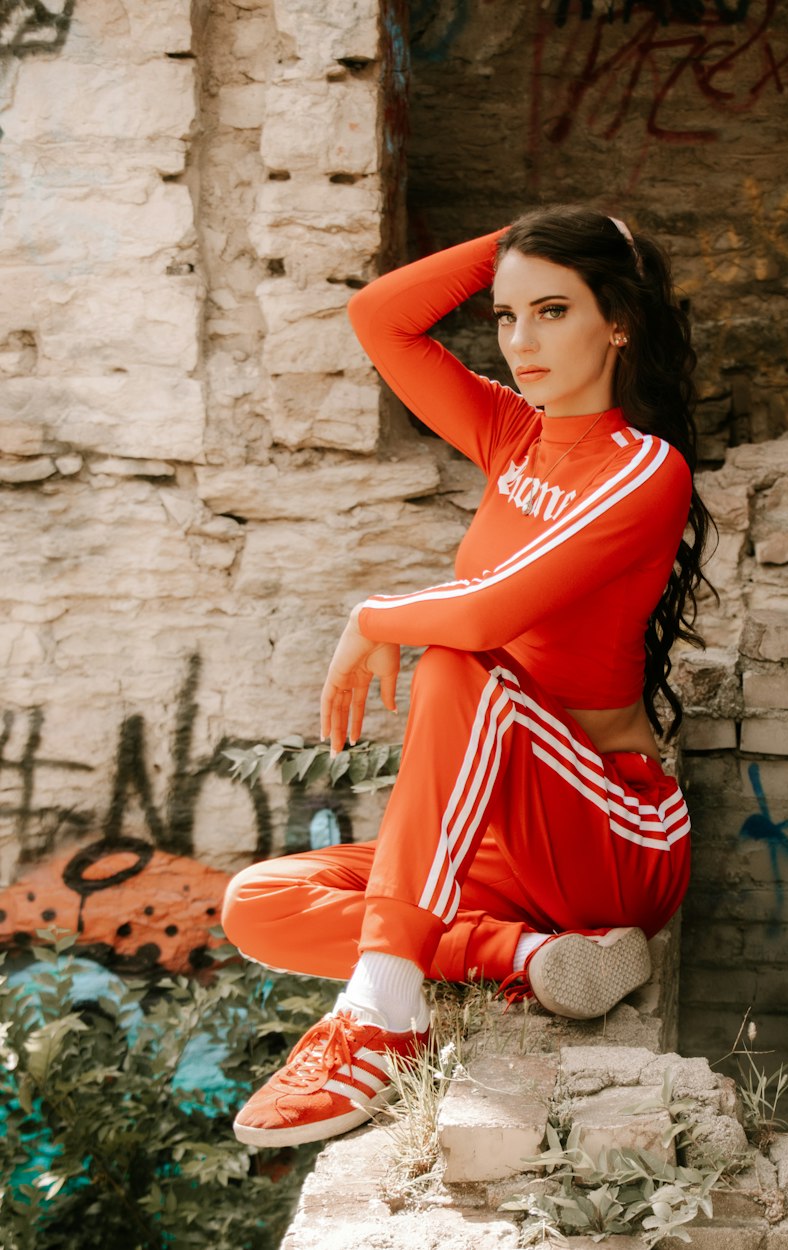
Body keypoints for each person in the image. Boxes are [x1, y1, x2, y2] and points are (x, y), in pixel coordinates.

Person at [221, 205, 714, 1148]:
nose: (521, 341)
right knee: (258, 904)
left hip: (606, 832)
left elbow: (488, 615)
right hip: (496, 856)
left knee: (457, 659)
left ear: (619, 321)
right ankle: (535, 959)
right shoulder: (512, 436)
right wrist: (515, 243)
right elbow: (379, 317)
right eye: (504, 315)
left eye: (553, 311)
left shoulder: (646, 470)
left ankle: (381, 1020)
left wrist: (373, 616)